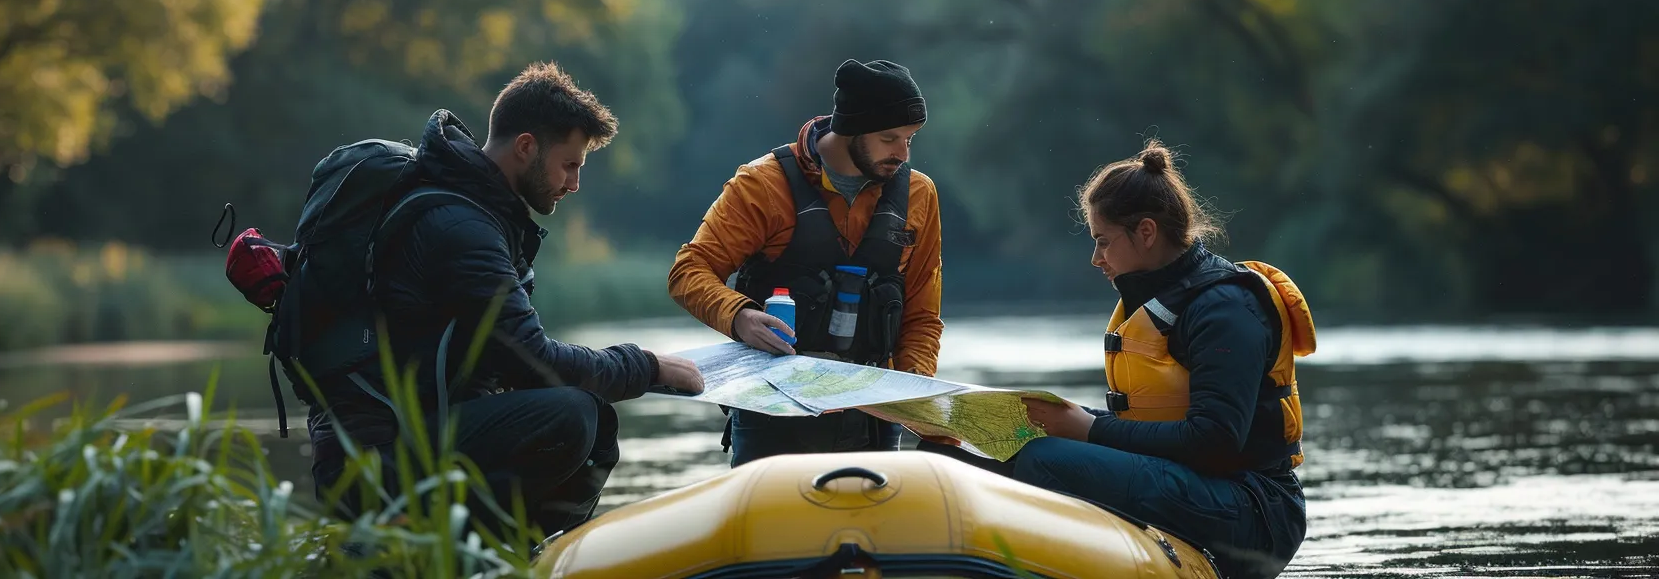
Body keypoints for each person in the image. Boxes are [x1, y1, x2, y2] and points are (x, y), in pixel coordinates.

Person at [305, 62, 706, 540]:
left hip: (399, 439)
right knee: (575, 416)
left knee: (588, 419)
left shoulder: (472, 211)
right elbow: (533, 360)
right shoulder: (461, 228)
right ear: (525, 147)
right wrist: (646, 366)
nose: (574, 183)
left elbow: (510, 361)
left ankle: (506, 555)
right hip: (372, 460)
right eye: (570, 164)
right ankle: (488, 557)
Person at [1011, 139, 1313, 579]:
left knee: (1045, 460)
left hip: (1258, 510)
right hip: (1200, 485)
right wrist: (1056, 417)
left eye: (1103, 241)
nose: (1096, 258)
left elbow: (1215, 440)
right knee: (999, 449)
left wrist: (1090, 429)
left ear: (1147, 232)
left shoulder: (1225, 308)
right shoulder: (1158, 298)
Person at [667, 58, 947, 467]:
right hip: (772, 411)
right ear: (851, 128)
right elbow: (688, 270)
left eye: (910, 139)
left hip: (874, 416)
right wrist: (739, 316)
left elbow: (922, 317)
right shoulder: (761, 185)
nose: (902, 154)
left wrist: (913, 397)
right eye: (890, 138)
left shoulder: (920, 195)